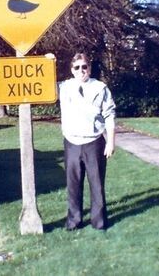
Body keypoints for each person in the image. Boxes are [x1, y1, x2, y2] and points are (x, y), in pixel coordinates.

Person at [58, 52, 116, 230]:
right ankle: (74, 221)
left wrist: (111, 142)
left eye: (84, 67)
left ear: (89, 68)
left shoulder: (100, 88)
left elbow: (110, 115)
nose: (81, 70)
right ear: (72, 69)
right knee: (73, 185)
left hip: (94, 142)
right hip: (72, 143)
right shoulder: (63, 87)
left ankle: (98, 222)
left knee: (96, 184)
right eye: (77, 67)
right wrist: (48, 60)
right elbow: (42, 84)